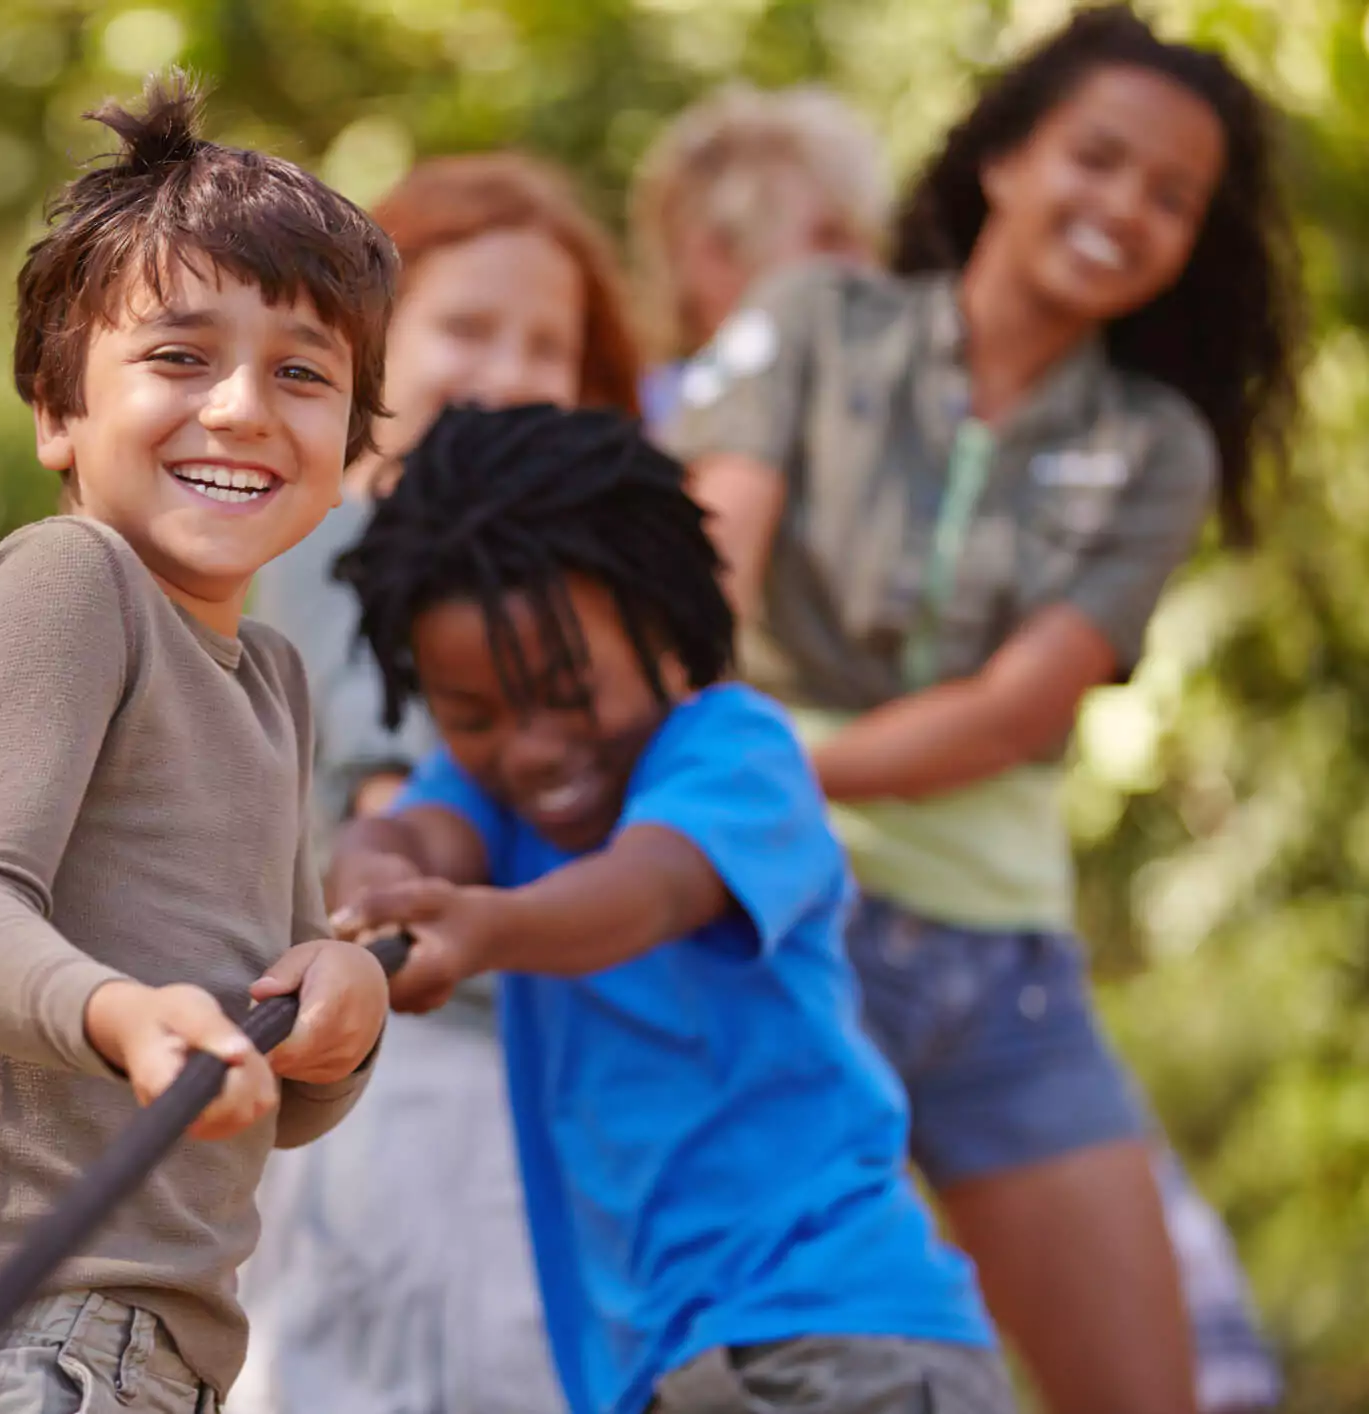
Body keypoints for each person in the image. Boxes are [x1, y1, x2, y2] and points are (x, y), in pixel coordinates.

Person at [668, 9, 1305, 1414]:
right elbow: (697, 582)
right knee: (754, 1375)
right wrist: (746, 798)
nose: (1124, 208)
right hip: (778, 928)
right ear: (1007, 158)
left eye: (1171, 197)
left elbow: (1016, 714)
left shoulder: (1153, 445)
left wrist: (773, 754)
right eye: (1097, 158)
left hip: (998, 973)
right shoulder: (812, 322)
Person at [0, 74, 398, 1414]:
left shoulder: (269, 678)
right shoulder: (71, 581)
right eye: (180, 357)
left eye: (302, 373)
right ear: (57, 408)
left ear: (348, 441)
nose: (243, 408)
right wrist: (121, 1014)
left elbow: (259, 1087)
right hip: (15, 1328)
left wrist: (337, 1020)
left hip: (142, 1350)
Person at [325, 401, 1015, 1414]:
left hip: (835, 1342)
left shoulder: (735, 754)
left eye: (569, 690)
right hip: (659, 1374)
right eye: (473, 716)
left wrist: (484, 927)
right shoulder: (490, 801)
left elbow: (646, 889)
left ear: (667, 628)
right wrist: (370, 887)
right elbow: (402, 836)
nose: (532, 748)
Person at [237, 152, 642, 1414]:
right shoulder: (350, 539)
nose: (507, 370)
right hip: (406, 1070)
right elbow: (389, 810)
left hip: (547, 1064)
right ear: (372, 344)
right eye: (467, 327)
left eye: (547, 347)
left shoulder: (584, 586)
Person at [627, 83, 888, 436]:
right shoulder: (641, 434)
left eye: (867, 242)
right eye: (828, 239)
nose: (867, 269)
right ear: (715, 257)